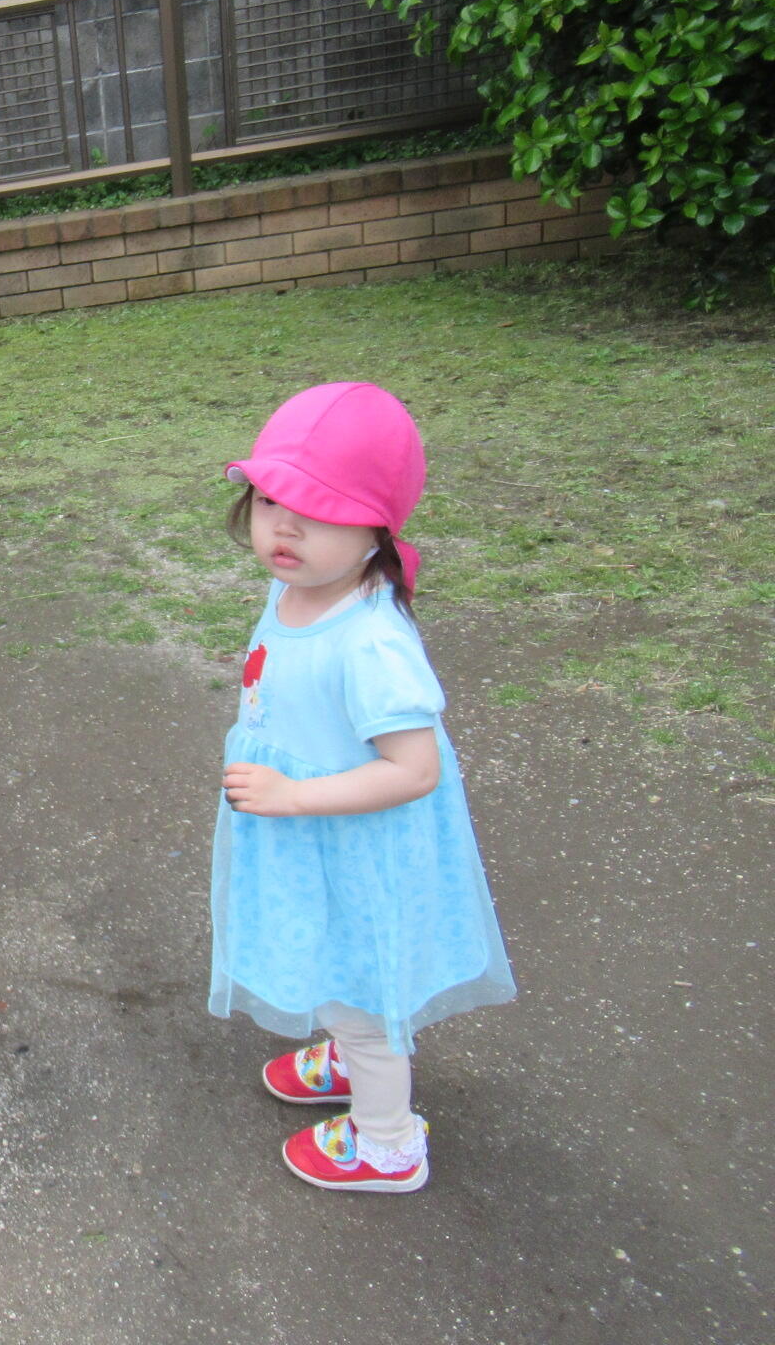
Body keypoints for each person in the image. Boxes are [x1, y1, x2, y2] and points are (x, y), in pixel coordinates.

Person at [213, 381, 515, 1192]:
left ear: (379, 523)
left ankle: (388, 1142)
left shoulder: (371, 640)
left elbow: (415, 769)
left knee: (369, 1004)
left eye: (318, 508)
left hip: (355, 845)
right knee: (330, 965)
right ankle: (346, 1050)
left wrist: (292, 796)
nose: (283, 524)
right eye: (271, 497)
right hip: (314, 838)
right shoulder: (300, 585)